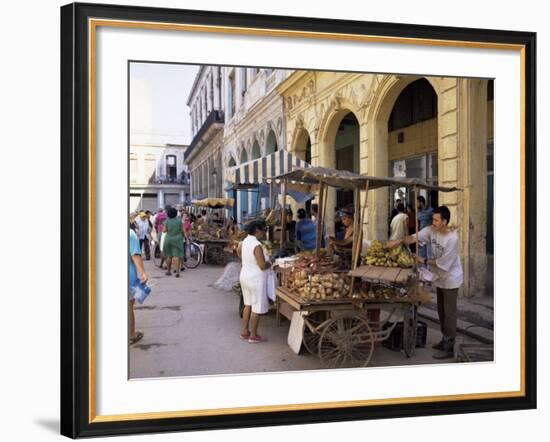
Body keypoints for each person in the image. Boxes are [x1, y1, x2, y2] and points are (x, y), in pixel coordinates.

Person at [386, 206, 463, 359]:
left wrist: (421, 260)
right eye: (433, 219)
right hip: (439, 278)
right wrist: (399, 242)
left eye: (436, 220)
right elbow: (414, 238)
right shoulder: (430, 230)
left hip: (451, 278)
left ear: (444, 221)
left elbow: (443, 263)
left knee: (449, 313)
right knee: (441, 311)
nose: (433, 222)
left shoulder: (452, 239)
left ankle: (449, 347)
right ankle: (444, 340)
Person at [237, 220, 271, 343]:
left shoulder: (245, 241)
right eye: (264, 230)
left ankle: (245, 331)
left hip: (245, 275)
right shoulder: (256, 245)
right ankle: (254, 335)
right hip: (255, 279)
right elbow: (262, 265)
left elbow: (239, 254)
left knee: (248, 304)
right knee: (256, 307)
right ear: (257, 230)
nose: (265, 233)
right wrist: (270, 262)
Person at [129, 227, 147, 345]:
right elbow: (135, 254)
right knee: (128, 305)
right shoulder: (130, 234)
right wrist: (142, 272)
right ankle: (131, 335)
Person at [162, 207, 184, 278]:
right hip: (178, 239)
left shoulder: (167, 221)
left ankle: (168, 271)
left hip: (168, 239)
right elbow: (182, 230)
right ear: (176, 214)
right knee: (176, 256)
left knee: (169, 256)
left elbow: (164, 231)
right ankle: (177, 272)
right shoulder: (179, 221)